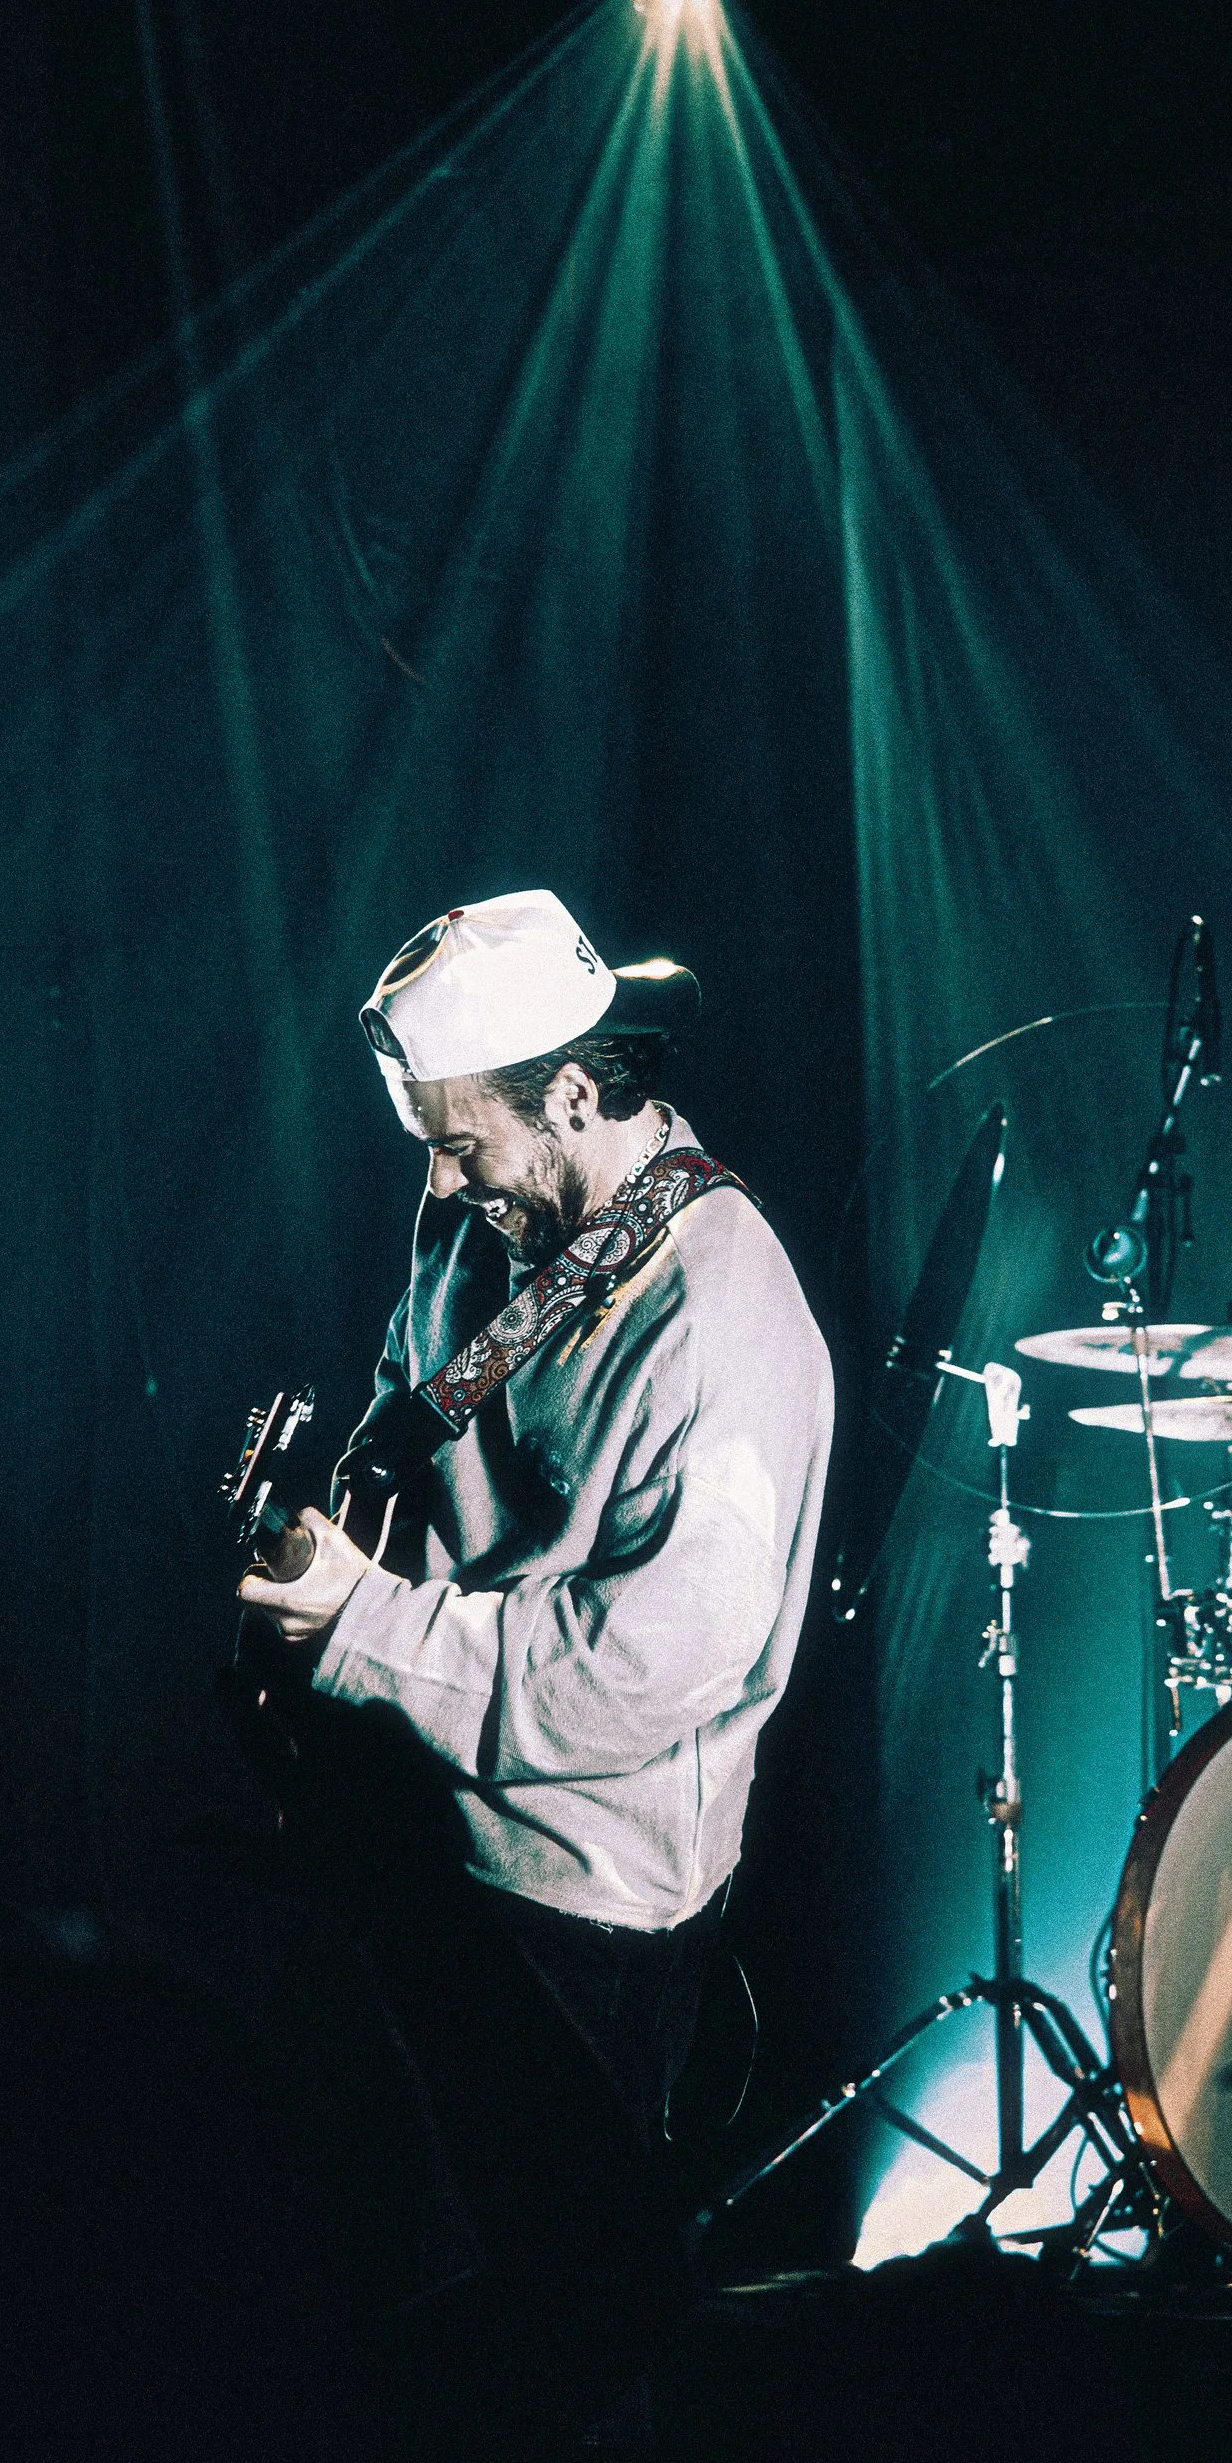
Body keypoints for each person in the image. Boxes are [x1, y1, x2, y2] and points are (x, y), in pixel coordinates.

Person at [238, 887, 834, 2157]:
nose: (440, 1180)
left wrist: (362, 1622)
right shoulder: (478, 1206)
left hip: (572, 1909)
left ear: (572, 1095)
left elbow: (637, 1678)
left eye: (460, 1144)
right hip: (419, 1829)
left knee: (534, 2323)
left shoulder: (721, 1327)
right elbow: (415, 1408)